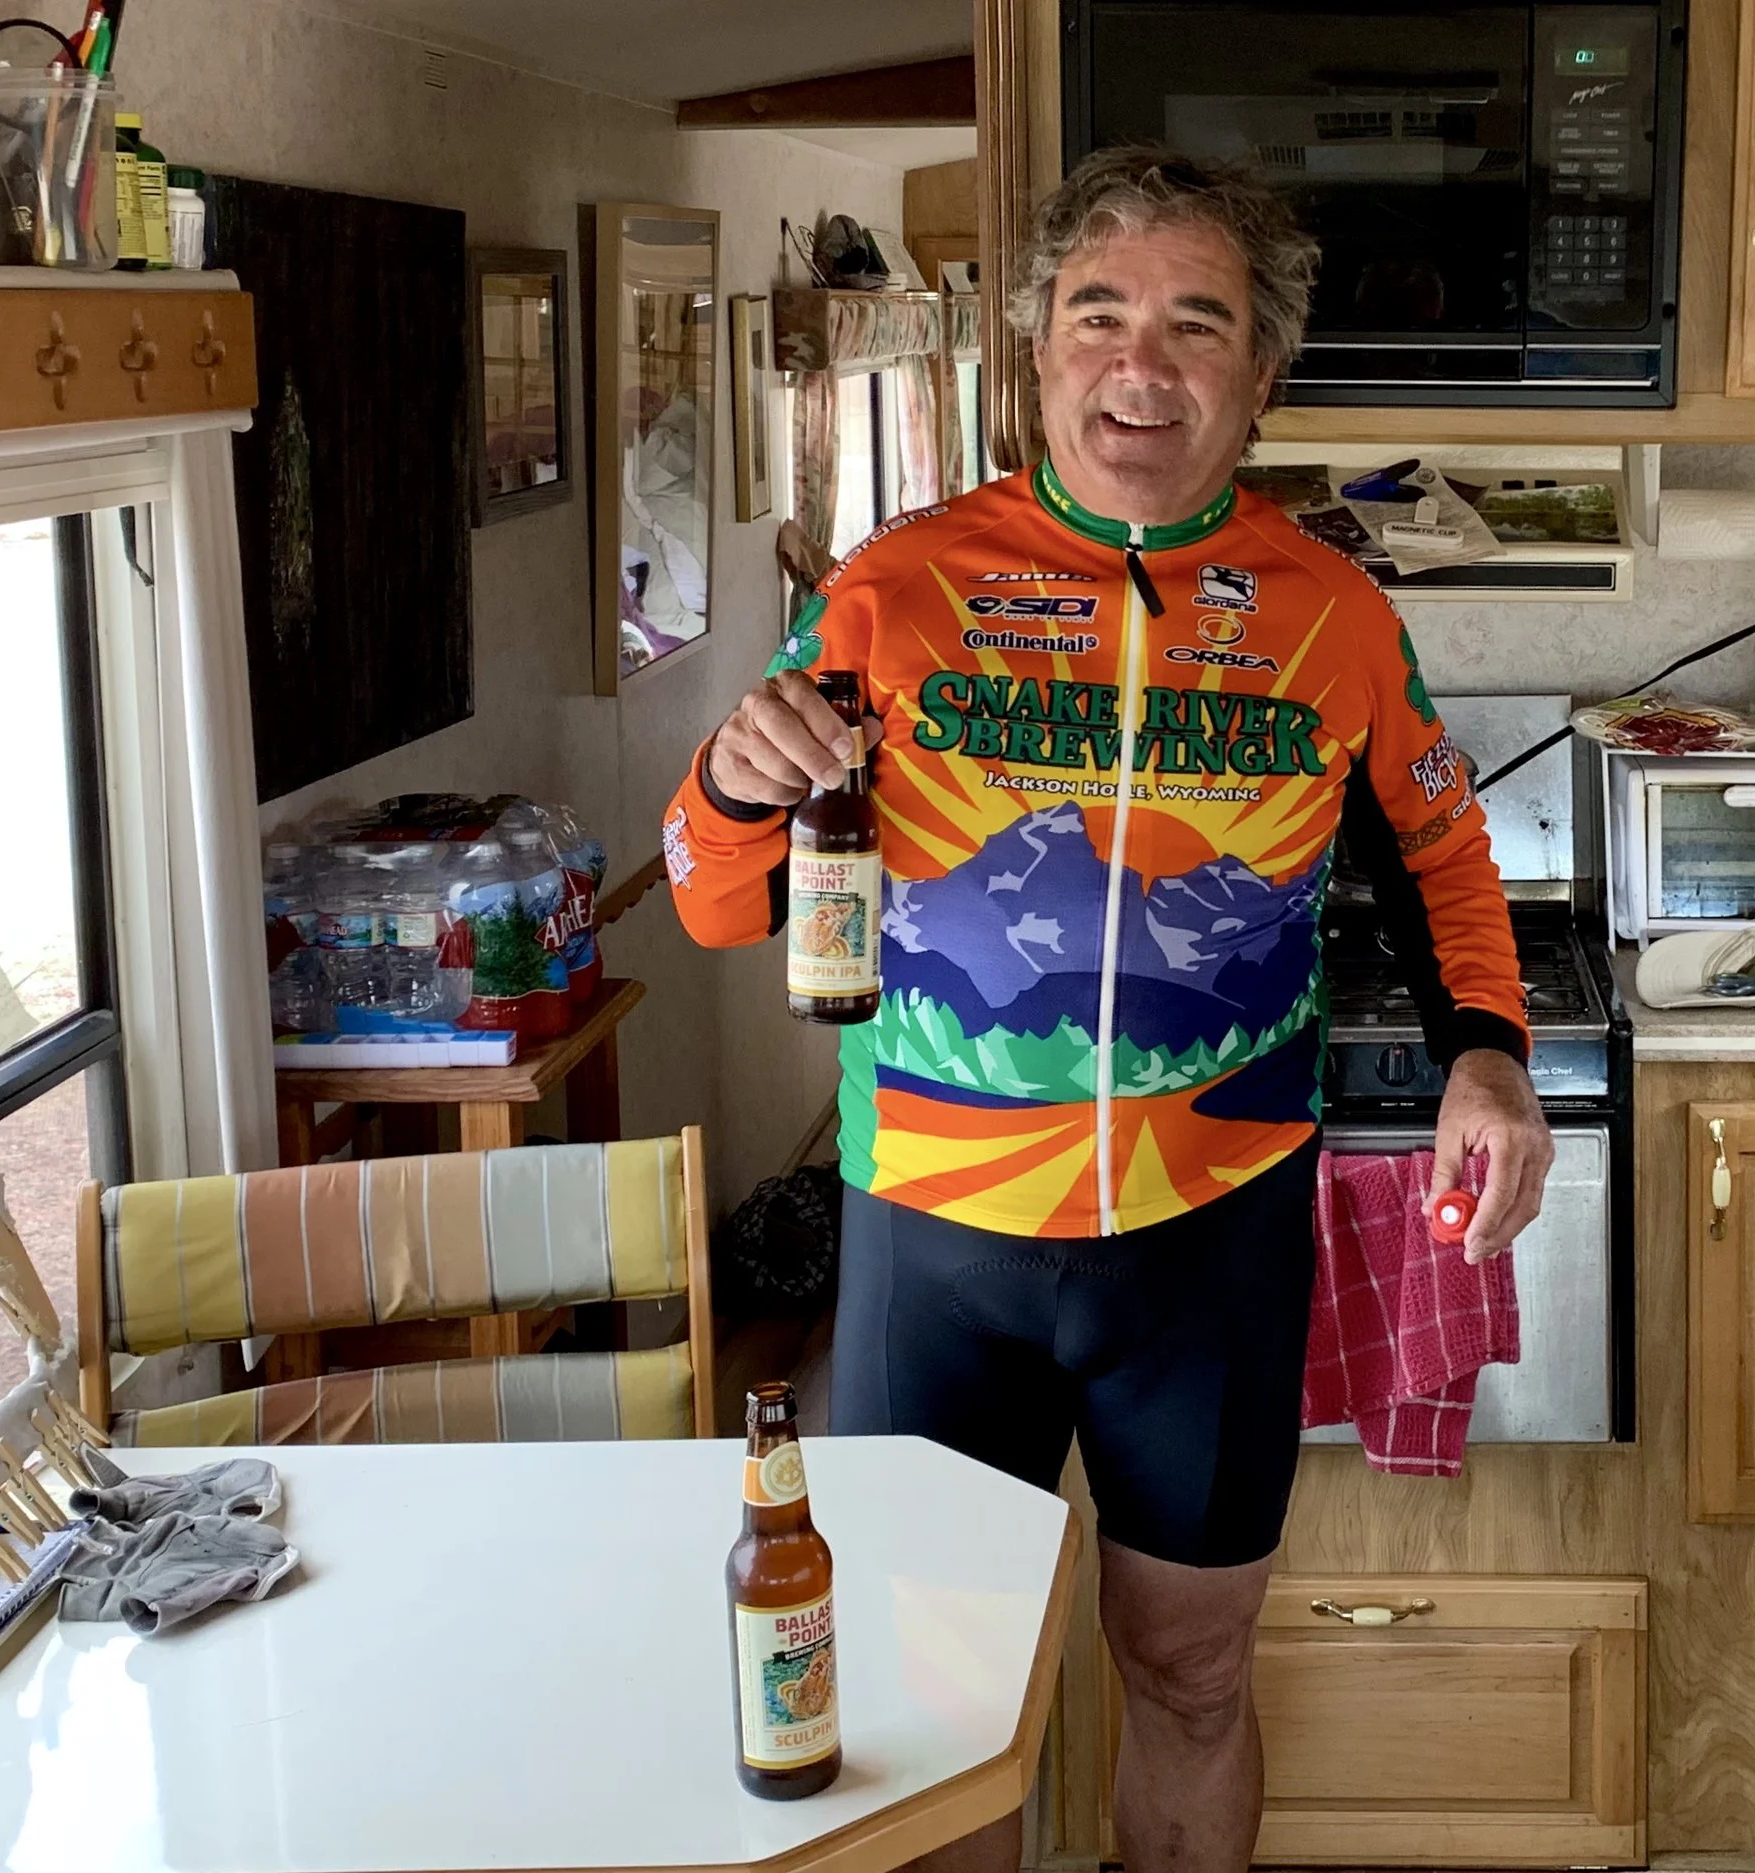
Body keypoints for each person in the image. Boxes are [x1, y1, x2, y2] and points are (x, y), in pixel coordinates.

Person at [663, 145, 1552, 1873]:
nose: (1143, 365)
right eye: (1100, 316)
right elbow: (714, 899)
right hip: (934, 1241)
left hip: (1209, 1243)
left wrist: (1492, 1061)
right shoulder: (891, 591)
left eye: (1197, 324)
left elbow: (1447, 853)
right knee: (935, 1707)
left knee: (1194, 1671)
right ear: (1039, 353)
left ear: (1258, 377)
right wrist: (728, 773)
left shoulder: (1333, 613)